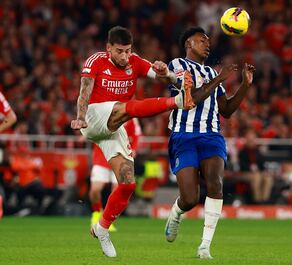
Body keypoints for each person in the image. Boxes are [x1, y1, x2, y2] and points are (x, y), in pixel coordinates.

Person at [70, 26, 197, 258]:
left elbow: (162, 75)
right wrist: (79, 118)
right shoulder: (95, 61)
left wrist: (165, 72)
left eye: (128, 51)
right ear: (108, 48)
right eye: (119, 51)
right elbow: (84, 92)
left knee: (127, 183)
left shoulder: (135, 62)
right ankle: (177, 102)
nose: (125, 56)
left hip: (115, 125)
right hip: (93, 118)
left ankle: (102, 229)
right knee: (128, 107)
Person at [164, 27, 255, 259]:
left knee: (215, 184)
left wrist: (244, 85)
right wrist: (218, 79)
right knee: (190, 198)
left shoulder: (211, 72)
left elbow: (226, 110)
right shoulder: (177, 66)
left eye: (207, 40)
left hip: (211, 136)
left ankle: (205, 246)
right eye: (201, 40)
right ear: (188, 44)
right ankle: (176, 213)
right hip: (183, 135)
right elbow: (190, 98)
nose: (207, 43)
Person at [89, 118, 141, 232]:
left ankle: (106, 221)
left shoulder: (130, 115)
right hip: (101, 157)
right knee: (95, 190)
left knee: (116, 192)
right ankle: (96, 214)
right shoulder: (103, 109)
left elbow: (136, 135)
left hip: (119, 158)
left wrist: (134, 149)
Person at [238, 129, 273, 204]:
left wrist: (265, 172)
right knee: (257, 177)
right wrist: (252, 170)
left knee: (268, 178)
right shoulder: (242, 152)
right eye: (249, 139)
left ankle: (265, 199)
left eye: (252, 139)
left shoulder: (258, 151)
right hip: (246, 173)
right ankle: (257, 200)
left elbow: (262, 165)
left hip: (258, 173)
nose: (251, 141)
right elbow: (242, 166)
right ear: (246, 140)